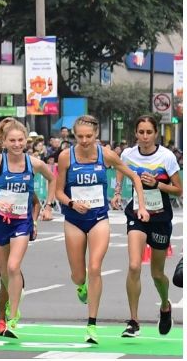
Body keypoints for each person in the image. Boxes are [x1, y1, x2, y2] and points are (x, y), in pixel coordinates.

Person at [55, 115, 147, 344]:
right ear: (74, 135)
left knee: (94, 267)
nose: (84, 141)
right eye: (80, 136)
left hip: (98, 218)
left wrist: (141, 206)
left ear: (96, 135)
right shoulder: (66, 157)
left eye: (89, 136)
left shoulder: (105, 154)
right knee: (78, 276)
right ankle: (81, 286)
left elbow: (134, 176)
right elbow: (58, 192)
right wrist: (72, 203)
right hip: (74, 219)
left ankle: (92, 325)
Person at [0, 118, 54, 338]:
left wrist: (48, 206)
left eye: (21, 140)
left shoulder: (35, 164)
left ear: (26, 141)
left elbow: (52, 179)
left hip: (21, 222)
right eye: (12, 140)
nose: (17, 144)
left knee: (12, 268)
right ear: (5, 141)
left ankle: (8, 318)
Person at [113, 115, 181, 338]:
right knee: (134, 265)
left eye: (148, 132)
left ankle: (164, 305)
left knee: (157, 273)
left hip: (160, 219)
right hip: (136, 214)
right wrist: (117, 193)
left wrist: (158, 184)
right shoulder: (128, 154)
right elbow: (121, 172)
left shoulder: (167, 157)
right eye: (140, 132)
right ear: (135, 133)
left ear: (155, 134)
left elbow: (179, 190)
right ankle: (133, 321)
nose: (144, 137)